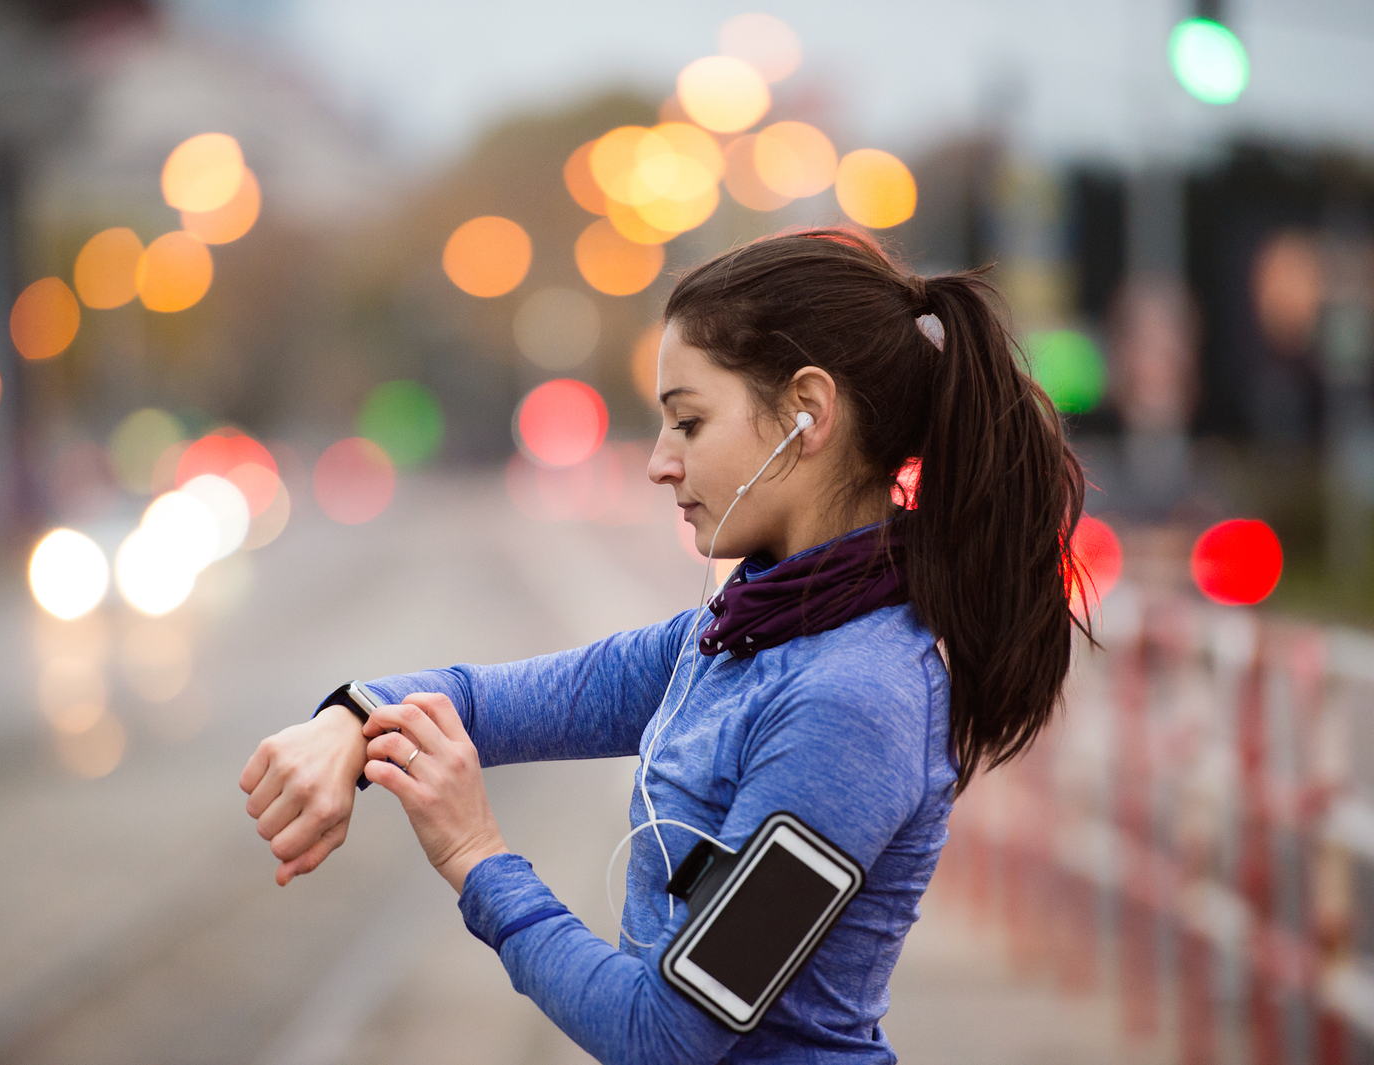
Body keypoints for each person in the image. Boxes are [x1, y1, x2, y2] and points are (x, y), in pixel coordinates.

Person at [240, 229, 1088, 1064]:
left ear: (809, 413)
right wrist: (347, 718)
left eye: (688, 421)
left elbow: (669, 1036)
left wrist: (475, 855)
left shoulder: (855, 701)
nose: (658, 463)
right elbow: (486, 700)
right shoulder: (729, 639)